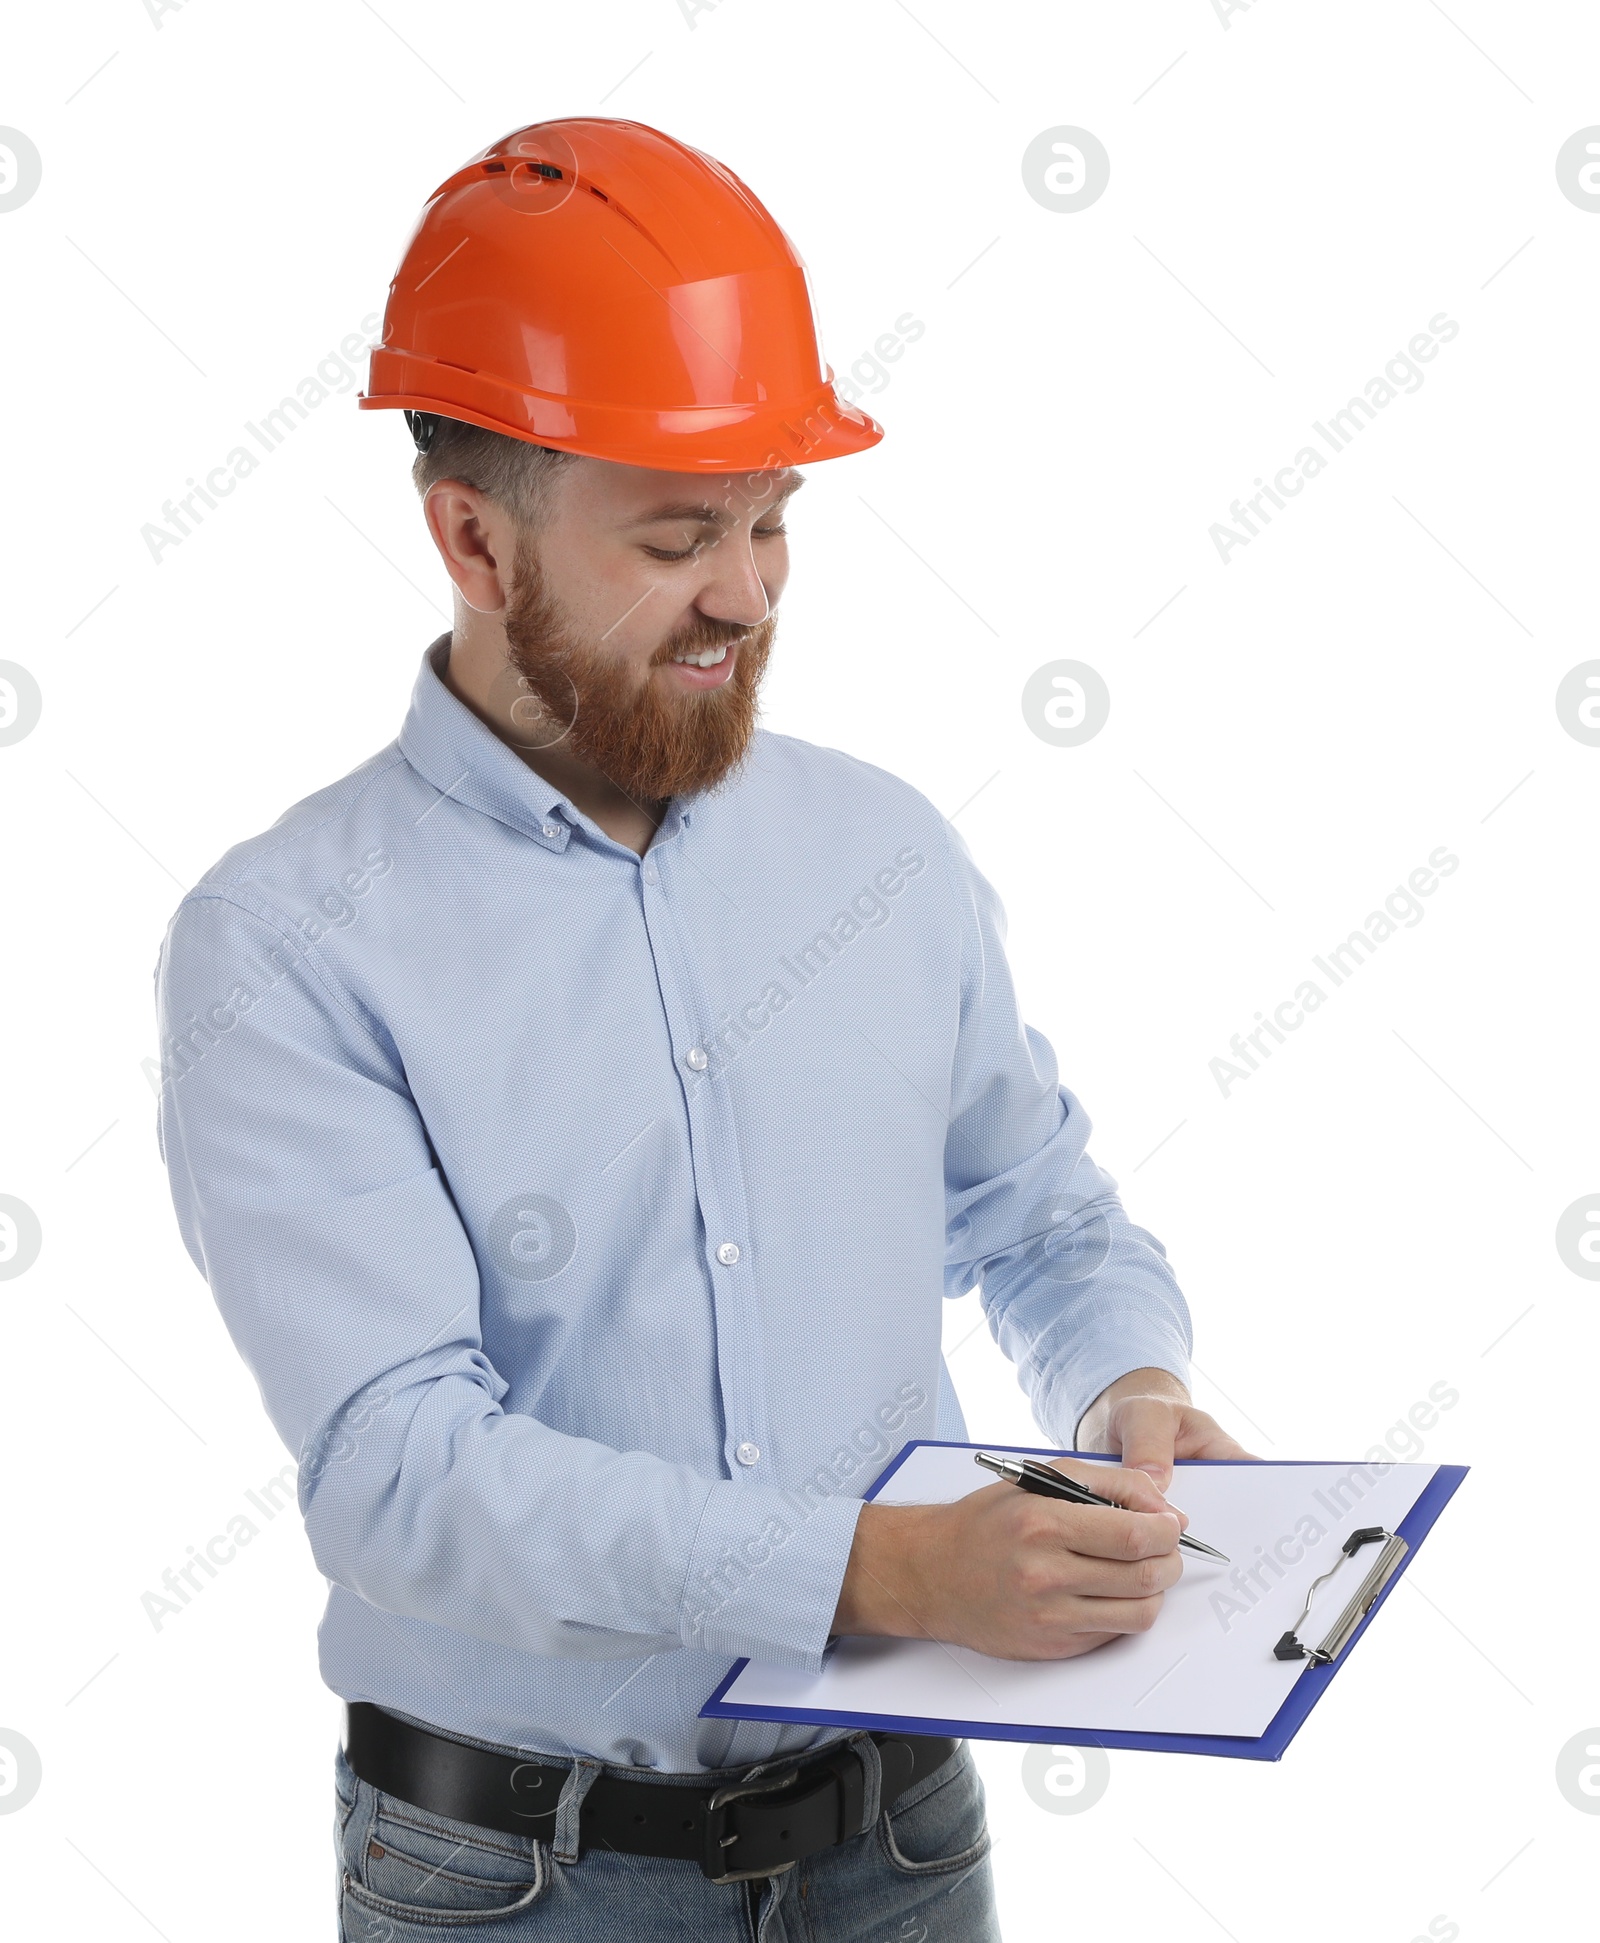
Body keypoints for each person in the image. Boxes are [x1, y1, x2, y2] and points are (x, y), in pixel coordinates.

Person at [152, 118, 1251, 1941]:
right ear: (473, 540)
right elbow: (405, 1479)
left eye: (769, 523)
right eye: (678, 537)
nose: (746, 593)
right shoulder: (285, 945)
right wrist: (879, 1570)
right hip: (520, 1885)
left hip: (901, 1849)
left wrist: (1129, 1387)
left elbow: (1041, 1215)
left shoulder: (881, 851)